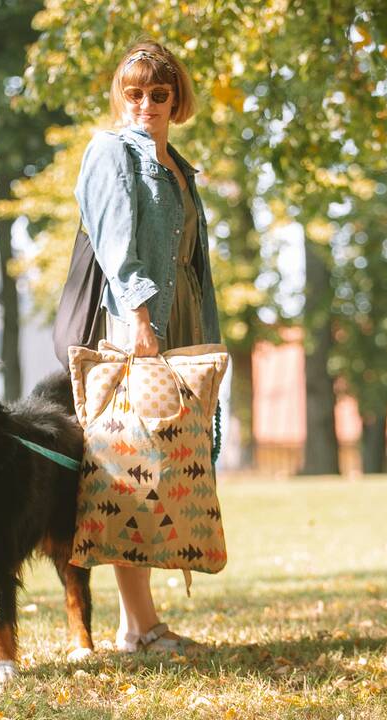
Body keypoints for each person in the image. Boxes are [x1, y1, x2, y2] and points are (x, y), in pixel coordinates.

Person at [73, 40, 222, 654]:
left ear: (175, 98)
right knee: (134, 468)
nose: (145, 104)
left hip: (179, 319)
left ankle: (141, 622)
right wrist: (138, 321)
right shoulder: (112, 153)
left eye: (158, 94)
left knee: (171, 465)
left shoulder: (178, 165)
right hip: (137, 322)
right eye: (134, 93)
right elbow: (116, 248)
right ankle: (138, 625)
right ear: (121, 95)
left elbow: (188, 260)